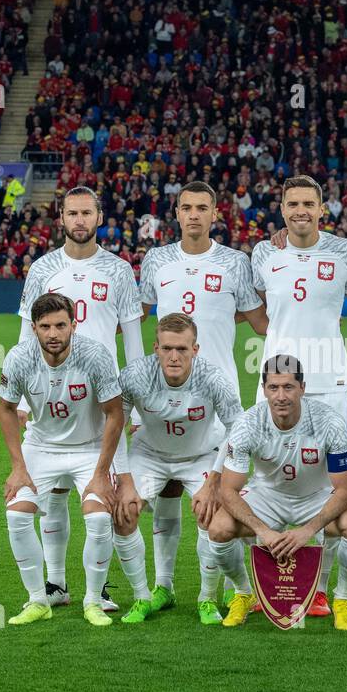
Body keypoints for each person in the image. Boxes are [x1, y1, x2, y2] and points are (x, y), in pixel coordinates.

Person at [14, 185, 145, 612]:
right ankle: (54, 584)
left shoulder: (120, 270)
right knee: (51, 497)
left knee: (104, 497)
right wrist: (19, 401)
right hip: (52, 395)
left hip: (104, 399)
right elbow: (24, 333)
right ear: (62, 218)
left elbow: (136, 342)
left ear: (99, 217)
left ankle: (99, 588)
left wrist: (138, 399)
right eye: (72, 213)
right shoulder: (42, 268)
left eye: (87, 213)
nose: (79, 220)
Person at [138, 181, 269, 603]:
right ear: (176, 214)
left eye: (202, 208)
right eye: (186, 207)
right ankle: (164, 587)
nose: (194, 214)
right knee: (168, 488)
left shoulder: (234, 262)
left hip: (220, 396)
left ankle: (219, 594)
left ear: (216, 214)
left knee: (215, 498)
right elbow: (130, 318)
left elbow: (262, 320)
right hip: (165, 393)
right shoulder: (156, 260)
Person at [255, 175, 347, 616]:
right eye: (292, 204)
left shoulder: (345, 253)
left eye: (308, 203)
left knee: (325, 486)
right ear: (281, 209)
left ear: (323, 209)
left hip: (329, 383)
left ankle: (318, 589)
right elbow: (261, 313)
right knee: (270, 478)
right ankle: (267, 585)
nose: (300, 211)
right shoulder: (265, 252)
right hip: (276, 380)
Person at [0, 292, 142, 626]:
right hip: (41, 446)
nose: (53, 333)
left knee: (98, 517)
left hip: (89, 448)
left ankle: (93, 600)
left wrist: (103, 472)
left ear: (73, 325)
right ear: (33, 328)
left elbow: (114, 414)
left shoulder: (95, 356)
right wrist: (18, 467)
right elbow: (5, 408)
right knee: (17, 513)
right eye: (45, 326)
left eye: (60, 325)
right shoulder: (19, 358)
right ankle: (38, 600)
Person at [206, 355, 347, 629]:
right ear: (264, 389)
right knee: (219, 528)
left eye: (288, 387)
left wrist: (307, 530)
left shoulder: (329, 422)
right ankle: (243, 593)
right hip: (267, 497)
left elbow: (345, 490)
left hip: (316, 496)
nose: (281, 396)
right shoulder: (248, 424)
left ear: (302, 388)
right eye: (273, 388)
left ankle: (342, 599)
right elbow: (229, 490)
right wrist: (264, 531)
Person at [116, 313, 245, 625]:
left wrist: (214, 482)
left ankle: (207, 598)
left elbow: (238, 430)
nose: (174, 357)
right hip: (151, 454)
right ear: (155, 347)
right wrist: (124, 479)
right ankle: (146, 595)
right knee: (123, 512)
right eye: (167, 348)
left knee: (210, 514)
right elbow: (114, 424)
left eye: (183, 349)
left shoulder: (213, 379)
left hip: (201, 454)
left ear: (195, 349)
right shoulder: (135, 375)